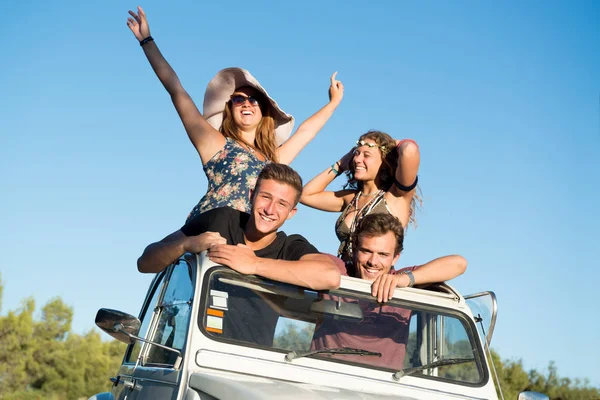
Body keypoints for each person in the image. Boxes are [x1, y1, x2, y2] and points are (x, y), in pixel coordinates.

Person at [126, 7, 344, 221]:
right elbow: (177, 92)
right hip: (208, 235)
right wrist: (147, 41)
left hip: (246, 243)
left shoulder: (273, 160)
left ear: (264, 111)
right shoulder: (215, 144)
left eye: (253, 99)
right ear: (229, 108)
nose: (246, 103)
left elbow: (306, 132)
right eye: (238, 99)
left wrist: (333, 103)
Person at [138, 163, 341, 346]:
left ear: (291, 213)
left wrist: (253, 264)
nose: (270, 210)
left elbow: (329, 276)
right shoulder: (221, 219)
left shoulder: (290, 246)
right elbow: (145, 262)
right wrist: (186, 244)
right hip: (189, 352)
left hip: (249, 362)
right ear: (251, 195)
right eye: (265, 197)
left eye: (282, 204)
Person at [311, 213, 467, 369]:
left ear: (395, 258)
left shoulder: (402, 281)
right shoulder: (335, 270)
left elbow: (459, 264)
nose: (373, 261)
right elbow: (295, 254)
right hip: (325, 375)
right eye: (366, 251)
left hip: (384, 385)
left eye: (383, 254)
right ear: (354, 250)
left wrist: (405, 280)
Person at [300, 130, 420, 264]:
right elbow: (305, 195)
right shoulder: (351, 198)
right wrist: (340, 165)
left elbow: (410, 150)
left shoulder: (396, 197)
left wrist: (395, 144)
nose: (357, 159)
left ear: (385, 162)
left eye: (366, 155)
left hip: (374, 277)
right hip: (344, 276)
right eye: (356, 154)